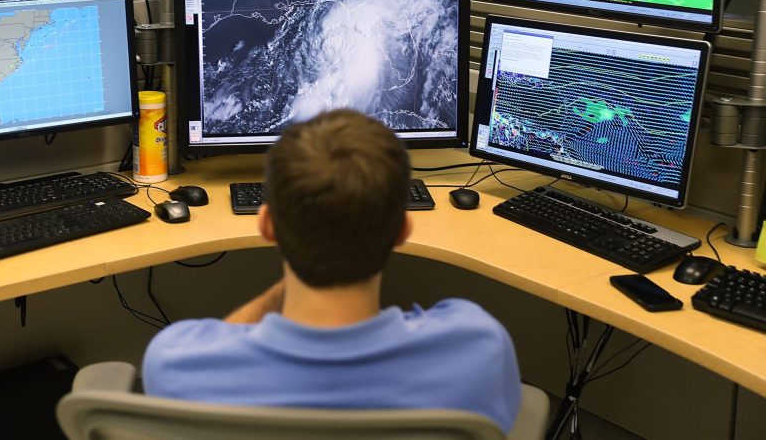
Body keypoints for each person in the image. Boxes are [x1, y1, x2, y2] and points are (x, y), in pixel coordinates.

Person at [141, 109, 522, 432]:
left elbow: (217, 341)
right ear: (402, 230)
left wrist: (300, 272)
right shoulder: (479, 349)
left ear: (267, 225)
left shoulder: (178, 365)